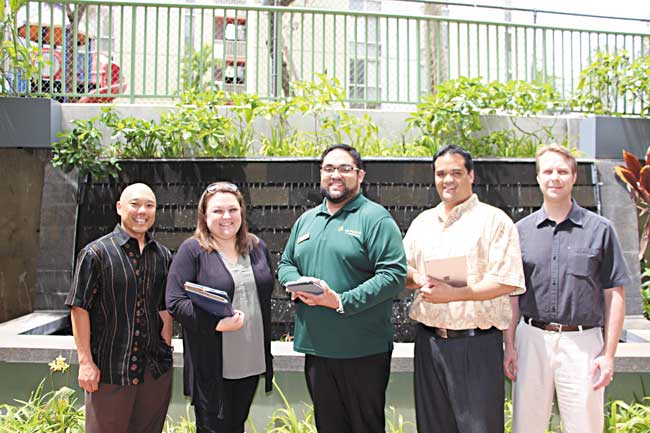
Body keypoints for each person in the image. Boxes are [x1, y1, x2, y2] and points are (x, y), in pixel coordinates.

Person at [278, 144, 407, 433]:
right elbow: (286, 263)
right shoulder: (307, 220)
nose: (336, 175)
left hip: (362, 352)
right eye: (329, 168)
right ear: (321, 174)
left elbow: (394, 274)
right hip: (317, 349)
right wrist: (295, 282)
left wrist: (340, 300)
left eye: (345, 169)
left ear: (360, 176)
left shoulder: (375, 218)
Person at [504, 144, 631, 433]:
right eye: (547, 171)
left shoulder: (601, 230)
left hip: (583, 343)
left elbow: (615, 296)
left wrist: (608, 354)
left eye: (562, 171)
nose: (555, 177)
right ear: (537, 178)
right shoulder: (519, 232)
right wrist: (509, 345)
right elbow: (512, 295)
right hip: (531, 339)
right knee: (526, 425)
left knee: (584, 426)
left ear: (574, 177)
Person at [402, 144, 526, 433]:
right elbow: (402, 270)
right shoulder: (422, 223)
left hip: (476, 345)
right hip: (429, 343)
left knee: (479, 428)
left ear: (471, 175)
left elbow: (506, 280)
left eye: (456, 173)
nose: (448, 180)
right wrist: (419, 279)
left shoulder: (495, 221)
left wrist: (456, 294)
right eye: (441, 173)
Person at [165, 181, 274, 433]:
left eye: (233, 210)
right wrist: (215, 323)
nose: (226, 216)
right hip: (213, 365)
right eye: (217, 210)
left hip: (251, 360)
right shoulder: (192, 251)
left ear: (242, 212)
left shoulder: (257, 247)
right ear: (204, 215)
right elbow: (174, 301)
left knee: (236, 425)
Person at [65, 183, 174, 433]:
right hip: (109, 372)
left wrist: (166, 352)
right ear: (119, 207)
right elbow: (79, 307)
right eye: (135, 204)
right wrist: (85, 363)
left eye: (149, 205)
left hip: (153, 373)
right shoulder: (96, 254)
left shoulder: (163, 256)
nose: (142, 211)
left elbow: (164, 309)